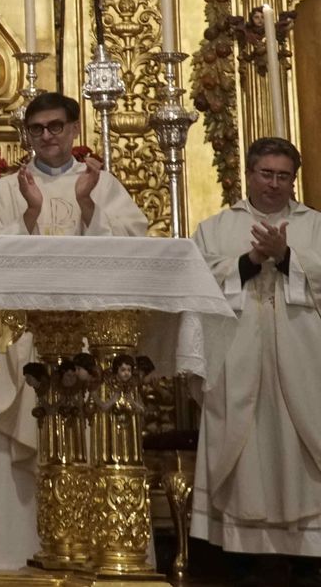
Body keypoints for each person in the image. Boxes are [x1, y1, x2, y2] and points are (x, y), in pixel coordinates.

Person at [0, 91, 148, 569]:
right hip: (25, 337)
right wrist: (29, 215)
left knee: (92, 438)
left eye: (55, 127)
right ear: (27, 135)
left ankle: (96, 549)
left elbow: (137, 246)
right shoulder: (7, 189)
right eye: (37, 129)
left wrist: (89, 207)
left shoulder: (103, 185)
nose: (47, 137)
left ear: (74, 129)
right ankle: (15, 556)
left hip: (90, 337)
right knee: (24, 440)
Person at [186, 137, 321, 585]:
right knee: (245, 451)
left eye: (284, 176)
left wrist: (287, 260)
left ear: (293, 180)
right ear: (249, 174)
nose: (275, 184)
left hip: (303, 365)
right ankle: (241, 554)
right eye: (267, 174)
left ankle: (306, 555)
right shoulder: (218, 227)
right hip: (238, 363)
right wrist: (249, 261)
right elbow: (198, 280)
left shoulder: (315, 227)